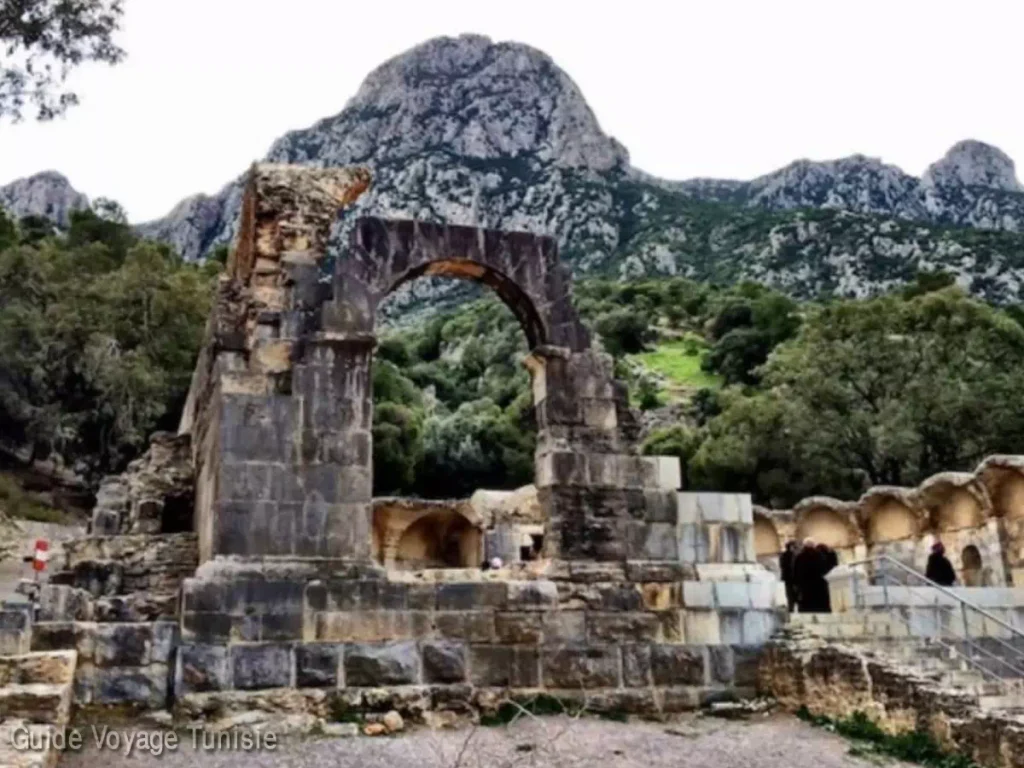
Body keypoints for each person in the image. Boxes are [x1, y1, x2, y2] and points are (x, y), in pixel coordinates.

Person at [794, 538, 833, 613]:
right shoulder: (819, 555)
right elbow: (825, 569)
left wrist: (797, 585)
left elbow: (795, 573)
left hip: (805, 587)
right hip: (819, 587)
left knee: (807, 608)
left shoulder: (799, 557)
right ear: (813, 545)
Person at [779, 541, 799, 611]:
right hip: (793, 579)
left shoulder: (782, 555)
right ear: (791, 547)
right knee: (795, 596)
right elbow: (793, 568)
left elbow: (782, 566)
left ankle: (791, 610)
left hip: (786, 579)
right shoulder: (794, 555)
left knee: (789, 597)